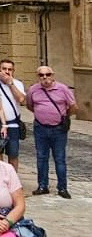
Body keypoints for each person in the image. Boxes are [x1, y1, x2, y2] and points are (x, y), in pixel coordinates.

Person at [26, 66, 76, 198]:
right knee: (41, 157)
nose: (45, 77)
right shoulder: (33, 89)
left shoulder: (63, 89)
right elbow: (30, 105)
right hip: (40, 128)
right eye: (41, 75)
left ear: (52, 75)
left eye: (47, 74)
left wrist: (64, 116)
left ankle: (62, 188)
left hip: (58, 129)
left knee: (59, 158)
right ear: (38, 76)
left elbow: (73, 106)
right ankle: (43, 186)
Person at [0, 59, 26, 169]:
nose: (7, 72)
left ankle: (13, 177)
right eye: (4, 69)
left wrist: (10, 84)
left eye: (10, 69)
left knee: (13, 154)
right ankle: (0, 177)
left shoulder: (18, 84)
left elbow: (21, 100)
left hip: (13, 125)